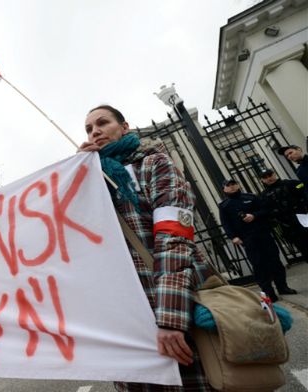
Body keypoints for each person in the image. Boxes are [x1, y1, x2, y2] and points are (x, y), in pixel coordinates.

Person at [79, 105, 212, 391]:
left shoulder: (154, 164)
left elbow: (174, 237)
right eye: (89, 129)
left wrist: (171, 318)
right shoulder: (89, 180)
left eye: (102, 123)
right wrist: (78, 178)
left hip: (170, 306)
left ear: (124, 127)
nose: (95, 131)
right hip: (125, 319)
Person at [218, 179, 297, 301]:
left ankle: (282, 287)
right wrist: (233, 237)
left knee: (275, 260)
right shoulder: (224, 206)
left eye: (233, 184)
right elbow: (226, 224)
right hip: (247, 238)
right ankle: (269, 293)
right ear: (224, 189)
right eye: (228, 185)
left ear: (238, 185)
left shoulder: (251, 197)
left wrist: (254, 215)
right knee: (258, 265)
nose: (232, 187)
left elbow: (265, 210)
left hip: (263, 233)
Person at [259, 169, 308, 262]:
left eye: (270, 175)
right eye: (265, 177)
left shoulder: (290, 183)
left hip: (304, 220)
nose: (269, 178)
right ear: (262, 180)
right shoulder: (263, 196)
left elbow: (305, 193)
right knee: (304, 250)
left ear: (274, 174)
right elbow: (266, 212)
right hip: (288, 227)